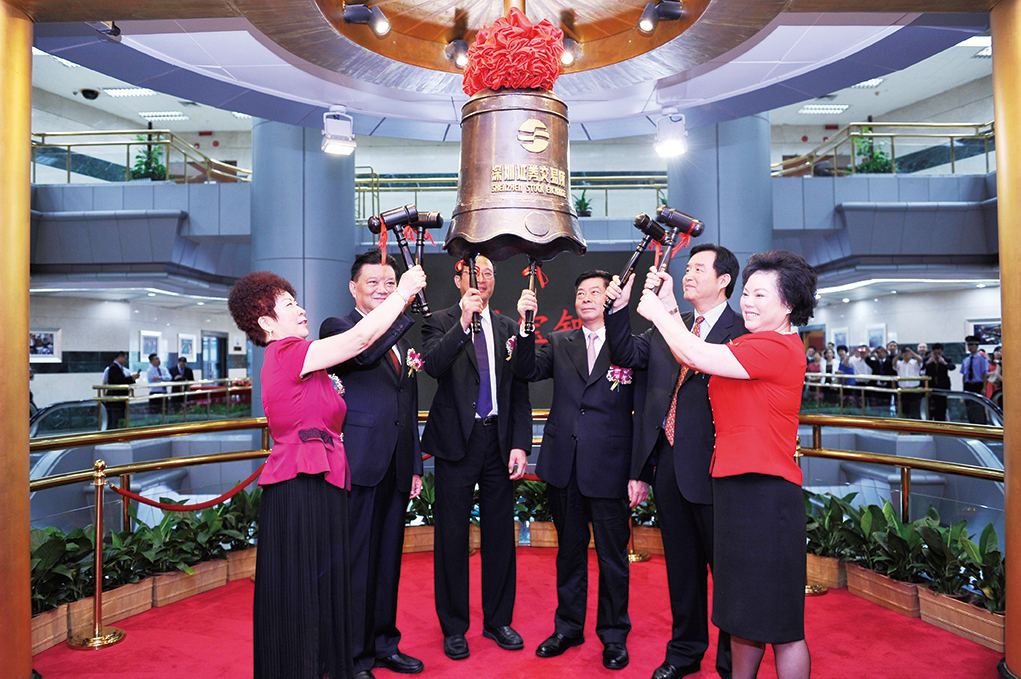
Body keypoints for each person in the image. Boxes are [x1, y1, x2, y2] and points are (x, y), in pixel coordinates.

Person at [227, 265, 426, 679]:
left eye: (297, 302)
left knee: (325, 585)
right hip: (300, 486)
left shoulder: (306, 360)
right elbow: (359, 340)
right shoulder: (287, 353)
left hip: (324, 483)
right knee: (305, 590)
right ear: (267, 322)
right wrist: (401, 293)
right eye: (289, 305)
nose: (301, 310)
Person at [634, 249, 817, 679]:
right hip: (732, 491)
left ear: (789, 304)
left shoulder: (779, 348)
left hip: (767, 497)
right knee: (739, 617)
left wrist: (658, 314)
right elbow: (693, 351)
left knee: (782, 627)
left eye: (760, 295)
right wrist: (670, 308)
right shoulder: (749, 342)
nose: (748, 302)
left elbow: (696, 356)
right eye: (747, 293)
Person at [604, 242, 741, 679]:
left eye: (699, 268)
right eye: (688, 267)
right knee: (682, 570)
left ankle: (731, 661)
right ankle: (684, 652)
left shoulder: (741, 331)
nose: (688, 274)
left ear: (724, 280)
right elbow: (626, 355)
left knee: (727, 573)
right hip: (669, 467)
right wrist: (618, 310)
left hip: (720, 471)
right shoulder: (671, 324)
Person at [513, 270, 650, 671]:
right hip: (564, 466)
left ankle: (614, 635)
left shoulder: (630, 346)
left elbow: (644, 413)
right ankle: (568, 627)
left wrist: (639, 472)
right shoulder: (560, 342)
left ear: (609, 298)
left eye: (595, 292)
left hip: (611, 468)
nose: (586, 298)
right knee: (569, 555)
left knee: (612, 558)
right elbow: (524, 370)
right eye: (580, 293)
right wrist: (525, 326)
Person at [319, 250, 425, 678]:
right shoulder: (338, 327)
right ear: (353, 288)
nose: (383, 289)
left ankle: (385, 644)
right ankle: (355, 655)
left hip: (396, 464)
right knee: (357, 564)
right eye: (374, 283)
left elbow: (408, 405)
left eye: (390, 283)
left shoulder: (402, 339)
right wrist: (400, 304)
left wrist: (415, 464)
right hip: (358, 462)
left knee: (387, 563)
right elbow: (362, 354)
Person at [421, 255, 532, 661]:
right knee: (451, 536)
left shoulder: (507, 327)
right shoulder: (438, 321)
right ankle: (454, 627)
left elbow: (519, 388)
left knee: (500, 535)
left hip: (498, 440)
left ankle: (498, 620)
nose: (482, 279)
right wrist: (464, 321)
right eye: (474, 272)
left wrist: (520, 442)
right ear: (458, 279)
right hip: (456, 442)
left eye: (488, 273)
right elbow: (433, 365)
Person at [960, 335, 990, 425]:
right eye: (969, 345)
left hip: (977, 385)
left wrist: (984, 387)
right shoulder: (966, 360)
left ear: (976, 346)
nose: (970, 347)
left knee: (978, 408)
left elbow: (984, 374)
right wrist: (963, 388)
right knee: (970, 408)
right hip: (968, 385)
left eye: (972, 345)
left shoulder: (982, 359)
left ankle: (981, 425)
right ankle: (972, 424)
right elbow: (964, 375)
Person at [105, 351, 139, 428]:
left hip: (119, 398)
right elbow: (119, 381)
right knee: (115, 418)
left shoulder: (118, 368)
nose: (125, 361)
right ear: (120, 357)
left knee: (119, 417)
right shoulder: (113, 368)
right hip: (116, 398)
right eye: (125, 358)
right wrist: (131, 378)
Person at [924, 343, 955, 421]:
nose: (937, 355)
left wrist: (944, 363)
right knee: (930, 408)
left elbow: (952, 367)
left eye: (939, 353)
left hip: (942, 387)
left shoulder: (946, 359)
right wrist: (928, 362)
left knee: (942, 408)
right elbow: (920, 367)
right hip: (930, 387)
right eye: (935, 353)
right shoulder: (926, 359)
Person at [894, 346, 923, 419]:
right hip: (903, 391)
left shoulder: (915, 363)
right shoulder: (899, 363)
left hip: (914, 390)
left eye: (908, 352)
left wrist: (912, 353)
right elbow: (894, 364)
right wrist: (898, 356)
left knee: (915, 411)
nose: (906, 354)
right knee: (904, 411)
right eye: (904, 353)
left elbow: (920, 360)